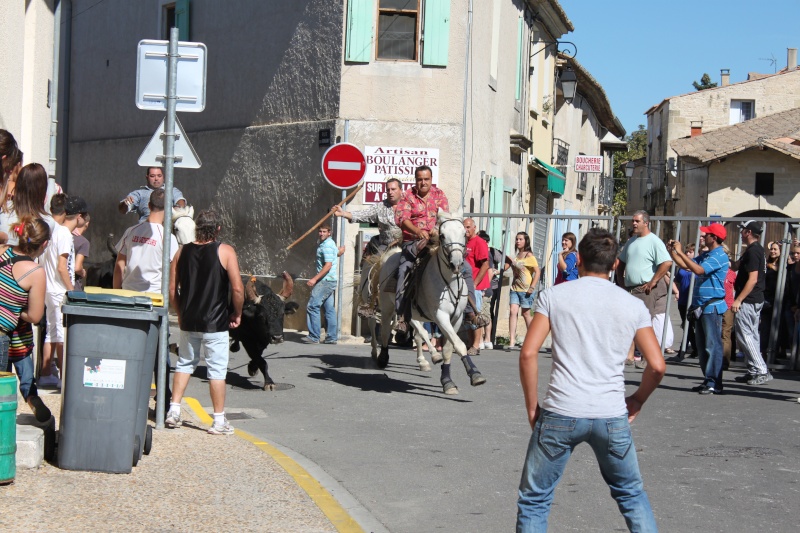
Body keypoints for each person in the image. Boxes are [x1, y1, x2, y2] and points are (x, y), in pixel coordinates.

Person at [516, 228, 665, 531]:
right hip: (610, 413)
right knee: (632, 494)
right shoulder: (632, 305)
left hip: (562, 408)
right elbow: (657, 365)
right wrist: (637, 398)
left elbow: (529, 354)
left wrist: (533, 406)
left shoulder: (554, 296)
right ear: (614, 265)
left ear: (579, 259)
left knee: (535, 498)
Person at [166, 210, 244, 435]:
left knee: (184, 363)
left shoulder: (182, 252)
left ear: (196, 228)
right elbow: (238, 288)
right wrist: (236, 313)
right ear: (218, 229)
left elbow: (172, 290)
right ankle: (218, 421)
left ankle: (174, 410)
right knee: (217, 370)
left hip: (189, 319)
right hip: (216, 321)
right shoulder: (225, 250)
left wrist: (180, 313)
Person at [114, 189, 180, 412]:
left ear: (148, 206)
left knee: (130, 352)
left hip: (129, 299)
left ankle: (127, 396)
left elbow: (119, 265)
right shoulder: (168, 238)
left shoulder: (132, 230)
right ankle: (163, 399)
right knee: (161, 354)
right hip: (154, 302)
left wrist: (118, 294)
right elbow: (173, 275)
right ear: (168, 209)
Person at [667, 223, 729, 395]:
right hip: (701, 307)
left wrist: (679, 252)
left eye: (706, 234)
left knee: (712, 346)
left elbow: (699, 270)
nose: (703, 237)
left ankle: (715, 382)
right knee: (702, 347)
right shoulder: (708, 254)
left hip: (712, 307)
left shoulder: (719, 256)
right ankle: (707, 380)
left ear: (714, 238)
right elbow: (686, 265)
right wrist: (673, 251)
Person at [0, 218, 51, 422]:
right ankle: (30, 396)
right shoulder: (35, 272)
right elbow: (35, 316)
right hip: (7, 334)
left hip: (8, 333)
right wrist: (13, 310)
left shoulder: (3, 250)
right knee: (4, 387)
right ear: (44, 244)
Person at [393, 165, 451, 332]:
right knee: (404, 270)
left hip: (436, 241)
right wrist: (418, 231)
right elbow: (403, 219)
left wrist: (437, 228)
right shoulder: (407, 196)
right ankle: (402, 315)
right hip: (413, 242)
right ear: (415, 180)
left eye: (426, 179)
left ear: (431, 180)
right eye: (419, 179)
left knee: (462, 266)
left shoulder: (439, 194)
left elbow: (445, 216)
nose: (423, 182)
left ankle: (470, 311)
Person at [616, 210, 673, 367]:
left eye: (637, 221)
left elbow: (666, 262)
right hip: (630, 289)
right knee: (629, 322)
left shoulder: (654, 241)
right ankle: (629, 356)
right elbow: (620, 263)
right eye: (633, 221)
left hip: (645, 290)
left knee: (644, 324)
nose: (633, 223)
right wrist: (621, 283)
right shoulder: (631, 241)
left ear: (646, 223)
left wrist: (653, 281)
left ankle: (648, 358)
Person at [39, 195, 81, 387]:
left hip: (48, 287)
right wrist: (71, 290)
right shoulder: (64, 234)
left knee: (51, 332)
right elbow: (62, 267)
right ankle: (65, 379)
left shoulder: (50, 230)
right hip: (59, 290)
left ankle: (46, 373)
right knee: (61, 335)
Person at [731, 221, 770, 384]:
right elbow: (735, 267)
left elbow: (752, 279)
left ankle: (761, 370)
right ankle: (754, 369)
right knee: (752, 335)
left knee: (745, 335)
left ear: (748, 232)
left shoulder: (754, 251)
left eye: (742, 231)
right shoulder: (754, 250)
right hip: (754, 299)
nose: (740, 234)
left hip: (749, 299)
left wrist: (739, 299)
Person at [332, 177, 403, 258]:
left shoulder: (409, 205)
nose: (390, 192)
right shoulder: (380, 207)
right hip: (386, 247)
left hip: (405, 245)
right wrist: (343, 213)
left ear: (401, 190)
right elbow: (363, 214)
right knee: (375, 265)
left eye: (393, 189)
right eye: (388, 190)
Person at [301, 223, 344, 345]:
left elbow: (328, 265)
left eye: (324, 232)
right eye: (320, 231)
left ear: (329, 233)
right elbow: (334, 256)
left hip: (325, 281)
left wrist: (314, 279)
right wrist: (340, 252)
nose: (321, 234)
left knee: (312, 306)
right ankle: (331, 337)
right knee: (329, 309)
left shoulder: (327, 246)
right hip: (329, 280)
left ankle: (314, 336)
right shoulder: (328, 244)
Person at [504, 232, 540, 352]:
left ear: (526, 241)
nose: (518, 241)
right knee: (513, 312)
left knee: (526, 314)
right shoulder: (516, 255)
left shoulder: (529, 256)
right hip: (514, 289)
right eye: (516, 239)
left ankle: (532, 340)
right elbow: (506, 267)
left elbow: (537, 272)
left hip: (526, 291)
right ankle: (512, 341)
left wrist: (532, 287)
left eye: (520, 239)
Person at [119, 166, 186, 222]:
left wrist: (177, 208)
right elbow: (122, 210)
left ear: (163, 177)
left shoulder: (172, 190)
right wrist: (126, 203)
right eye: (152, 176)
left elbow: (180, 201)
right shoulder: (139, 194)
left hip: (167, 230)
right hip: (146, 231)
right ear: (147, 177)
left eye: (159, 176)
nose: (156, 179)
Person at [463, 218, 490, 356]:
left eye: (468, 227)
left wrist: (474, 283)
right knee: (467, 316)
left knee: (475, 315)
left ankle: (476, 344)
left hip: (475, 286)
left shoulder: (479, 242)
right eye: (464, 227)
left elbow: (485, 265)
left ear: (474, 228)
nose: (466, 230)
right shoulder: (463, 242)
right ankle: (469, 343)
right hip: (464, 286)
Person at [672, 243, 697, 359]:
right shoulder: (682, 267)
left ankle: (683, 351)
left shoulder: (697, 265)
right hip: (682, 299)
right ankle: (695, 348)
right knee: (686, 324)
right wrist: (677, 291)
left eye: (690, 252)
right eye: (686, 252)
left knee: (690, 325)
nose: (688, 253)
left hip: (693, 300)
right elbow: (677, 280)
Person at [761, 241, 783, 355]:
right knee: (765, 328)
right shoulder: (766, 264)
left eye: (775, 249)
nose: (773, 251)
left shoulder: (784, 265)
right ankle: (764, 353)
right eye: (772, 249)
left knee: (777, 329)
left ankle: (775, 353)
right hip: (767, 300)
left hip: (779, 300)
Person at [72, 210, 90, 291]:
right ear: (87, 223)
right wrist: (82, 272)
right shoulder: (84, 242)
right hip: (73, 285)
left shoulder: (63, 235)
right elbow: (77, 268)